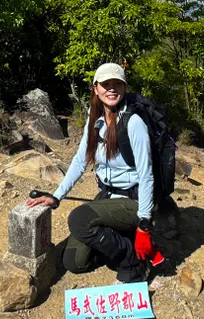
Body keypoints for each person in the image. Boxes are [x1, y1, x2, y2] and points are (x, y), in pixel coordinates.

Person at [26, 62, 155, 283]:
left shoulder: (133, 123)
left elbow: (146, 176)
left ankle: (133, 261)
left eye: (118, 84)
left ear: (124, 88)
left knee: (79, 218)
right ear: (95, 88)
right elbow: (79, 160)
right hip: (108, 196)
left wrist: (144, 225)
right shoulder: (94, 119)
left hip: (132, 201)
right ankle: (118, 243)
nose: (112, 89)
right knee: (74, 262)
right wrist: (57, 196)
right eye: (106, 84)